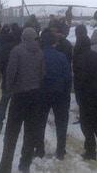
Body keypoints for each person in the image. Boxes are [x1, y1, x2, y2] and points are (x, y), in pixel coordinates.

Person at [0, 28, 44, 173]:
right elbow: (42, 74)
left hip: (19, 95)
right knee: (30, 132)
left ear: (23, 37)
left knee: (11, 132)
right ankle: (25, 165)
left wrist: (9, 88)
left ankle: (5, 166)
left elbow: (11, 72)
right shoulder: (40, 52)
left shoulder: (17, 51)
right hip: (34, 96)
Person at [36, 31, 72, 160]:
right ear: (54, 43)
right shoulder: (61, 56)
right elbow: (68, 77)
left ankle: (39, 149)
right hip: (60, 94)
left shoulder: (38, 56)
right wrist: (66, 94)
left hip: (42, 94)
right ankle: (61, 150)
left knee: (40, 122)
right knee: (61, 122)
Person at [73, 36, 97, 160]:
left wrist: (79, 96)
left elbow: (79, 80)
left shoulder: (80, 59)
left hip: (85, 96)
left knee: (86, 124)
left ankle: (90, 150)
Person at [0, 25, 20, 134]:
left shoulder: (3, 48)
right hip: (18, 81)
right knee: (15, 104)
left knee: (3, 102)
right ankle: (13, 128)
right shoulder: (19, 48)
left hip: (6, 79)